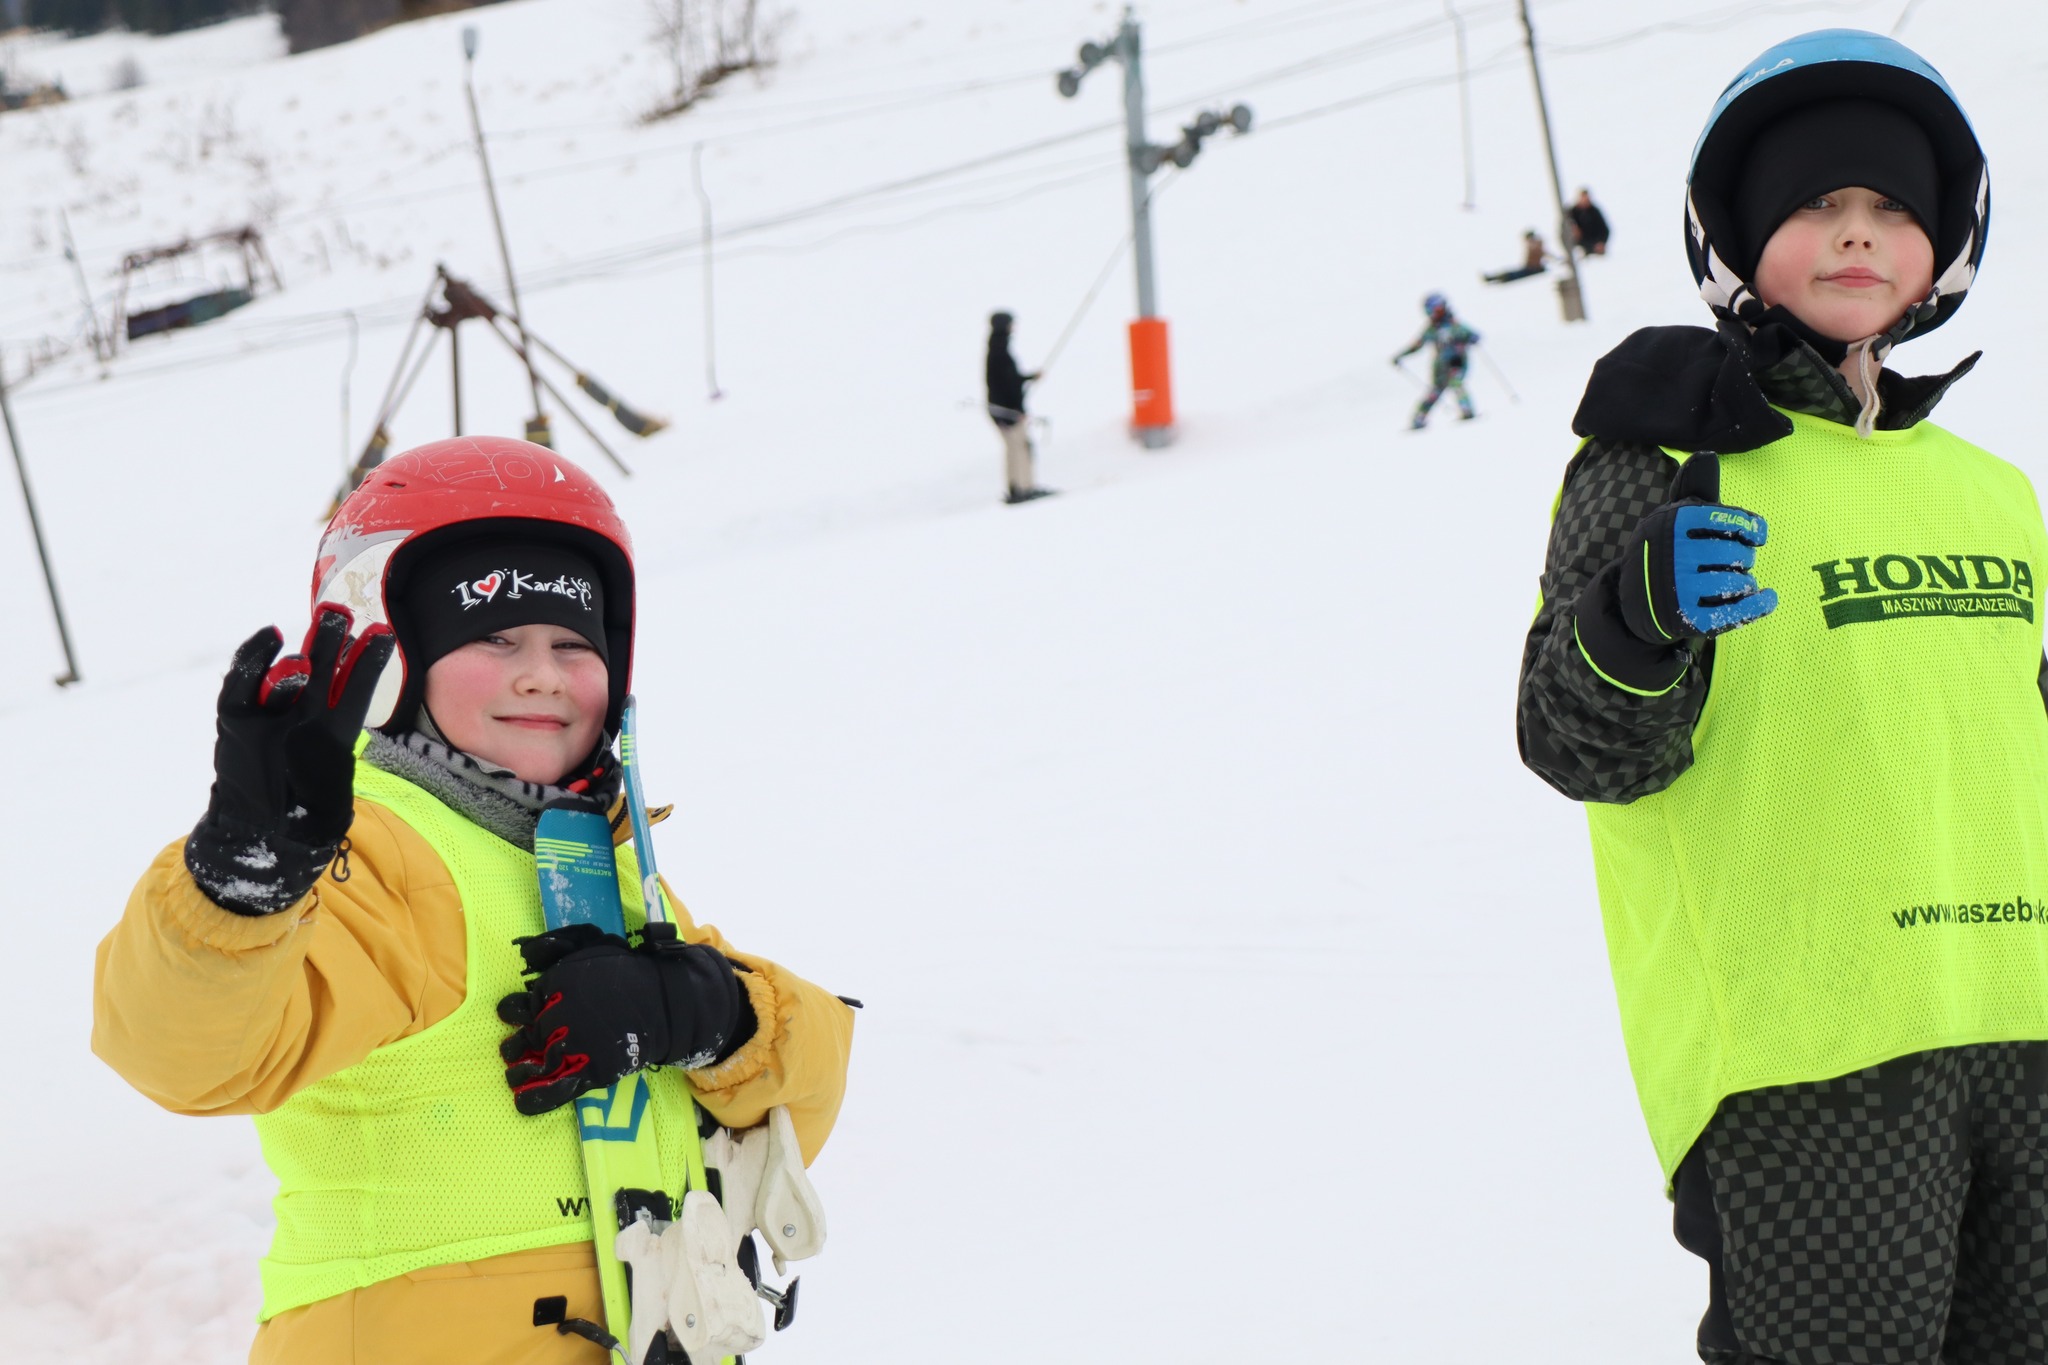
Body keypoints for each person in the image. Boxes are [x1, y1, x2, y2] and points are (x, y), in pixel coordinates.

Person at [93, 437, 857, 1364]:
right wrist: (243, 885)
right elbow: (186, 1053)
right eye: (495, 638)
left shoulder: (606, 864)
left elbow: (802, 1106)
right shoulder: (378, 855)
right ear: (394, 658)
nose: (541, 672)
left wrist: (713, 1013)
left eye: (574, 644)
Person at [1515, 30, 2036, 1364]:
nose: (1857, 237)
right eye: (1817, 204)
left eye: (1892, 210)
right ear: (1740, 237)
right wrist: (1641, 615)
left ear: (1944, 246)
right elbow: (1581, 747)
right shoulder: (1671, 457)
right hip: (1806, 1058)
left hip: (2026, 1032)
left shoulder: (1993, 493)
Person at [986, 311, 1050, 504]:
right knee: (1021, 447)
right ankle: (1025, 488)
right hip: (1007, 411)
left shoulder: (995, 347)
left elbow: (1008, 380)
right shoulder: (1000, 350)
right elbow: (1008, 384)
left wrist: (1028, 378)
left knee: (1012, 448)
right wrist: (1018, 410)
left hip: (999, 410)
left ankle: (1015, 487)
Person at [1391, 293, 1478, 429]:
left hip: (1457, 361)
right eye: (1432, 311)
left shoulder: (1453, 324)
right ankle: (1419, 418)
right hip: (1440, 366)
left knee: (1456, 383)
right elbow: (1417, 345)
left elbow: (1471, 334)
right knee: (1435, 391)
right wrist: (1401, 355)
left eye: (1437, 309)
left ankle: (1467, 410)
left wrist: (1471, 338)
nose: (1435, 313)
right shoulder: (1431, 329)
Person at [1482, 229, 1552, 283]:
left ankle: (1493, 278)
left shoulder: (1534, 245)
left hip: (1533, 269)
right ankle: (1493, 278)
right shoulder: (1536, 244)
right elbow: (1545, 253)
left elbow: (1541, 253)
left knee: (1514, 274)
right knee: (1513, 273)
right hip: (1531, 268)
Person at [1568, 187, 1611, 255]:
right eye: (1583, 198)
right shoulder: (1571, 212)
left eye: (1587, 198)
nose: (1585, 200)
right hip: (1577, 247)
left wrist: (1601, 242)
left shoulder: (1594, 211)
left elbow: (1605, 229)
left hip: (1595, 245)